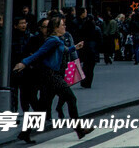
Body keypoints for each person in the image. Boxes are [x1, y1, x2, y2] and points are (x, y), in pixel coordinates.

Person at [14, 16, 91, 144]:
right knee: (71, 98)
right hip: (50, 75)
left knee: (42, 108)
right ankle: (79, 130)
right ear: (56, 28)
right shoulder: (53, 40)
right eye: (62, 25)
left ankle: (25, 133)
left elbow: (64, 50)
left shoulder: (58, 40)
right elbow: (39, 53)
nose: (64, 27)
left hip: (51, 75)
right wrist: (24, 63)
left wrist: (75, 47)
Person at [19, 17, 49, 113]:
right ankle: (38, 114)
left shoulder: (54, 39)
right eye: (45, 27)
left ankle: (43, 114)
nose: (47, 29)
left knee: (46, 96)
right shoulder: (34, 39)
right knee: (31, 95)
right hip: (34, 71)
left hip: (49, 72)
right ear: (40, 28)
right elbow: (27, 53)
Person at [75, 8, 100, 88]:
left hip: (85, 48)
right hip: (93, 49)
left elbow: (79, 37)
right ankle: (88, 83)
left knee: (85, 66)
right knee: (91, 67)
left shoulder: (83, 27)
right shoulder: (97, 29)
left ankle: (84, 81)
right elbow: (100, 41)